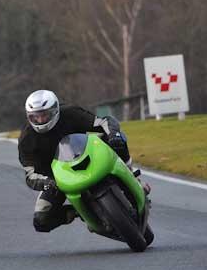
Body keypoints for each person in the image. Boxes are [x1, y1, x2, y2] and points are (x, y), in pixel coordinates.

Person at [17, 89, 146, 233]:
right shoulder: (26, 139)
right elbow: (30, 174)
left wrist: (113, 134)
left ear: (55, 110)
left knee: (118, 138)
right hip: (58, 179)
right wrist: (47, 182)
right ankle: (80, 211)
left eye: (44, 115)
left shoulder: (70, 113)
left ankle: (133, 175)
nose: (40, 120)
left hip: (87, 156)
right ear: (29, 117)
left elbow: (104, 122)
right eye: (35, 117)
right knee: (41, 220)